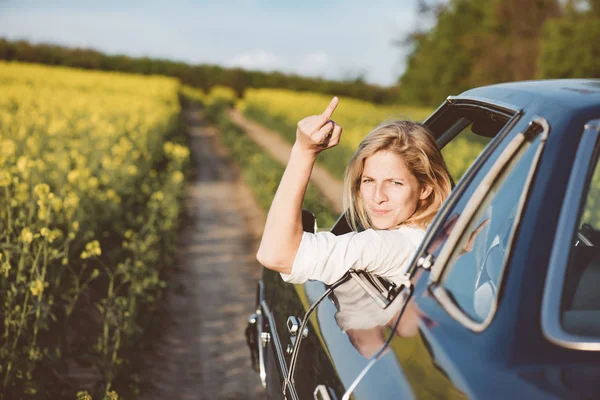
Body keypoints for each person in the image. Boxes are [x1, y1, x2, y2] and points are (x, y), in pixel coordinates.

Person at [256, 97, 453, 285]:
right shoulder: (444, 230)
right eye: (368, 180)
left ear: (425, 188)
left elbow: (276, 255)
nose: (378, 197)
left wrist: (303, 151)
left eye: (395, 183)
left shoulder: (396, 245)